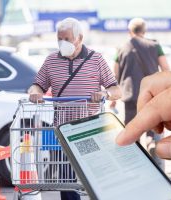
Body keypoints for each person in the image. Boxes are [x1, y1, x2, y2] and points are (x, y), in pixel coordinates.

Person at [28, 17, 121, 200]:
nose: (62, 43)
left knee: (95, 177)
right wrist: (35, 93)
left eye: (67, 39)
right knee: (66, 179)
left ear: (80, 38)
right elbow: (37, 85)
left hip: (89, 128)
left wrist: (105, 94)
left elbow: (117, 90)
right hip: (62, 129)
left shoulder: (96, 59)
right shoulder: (51, 60)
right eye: (59, 39)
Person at [113, 17, 170, 147]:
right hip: (151, 93)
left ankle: (135, 153)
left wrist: (114, 96)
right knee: (151, 125)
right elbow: (166, 69)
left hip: (130, 94)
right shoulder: (155, 46)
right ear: (145, 31)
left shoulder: (121, 48)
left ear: (129, 31)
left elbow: (115, 73)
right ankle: (151, 143)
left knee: (132, 130)